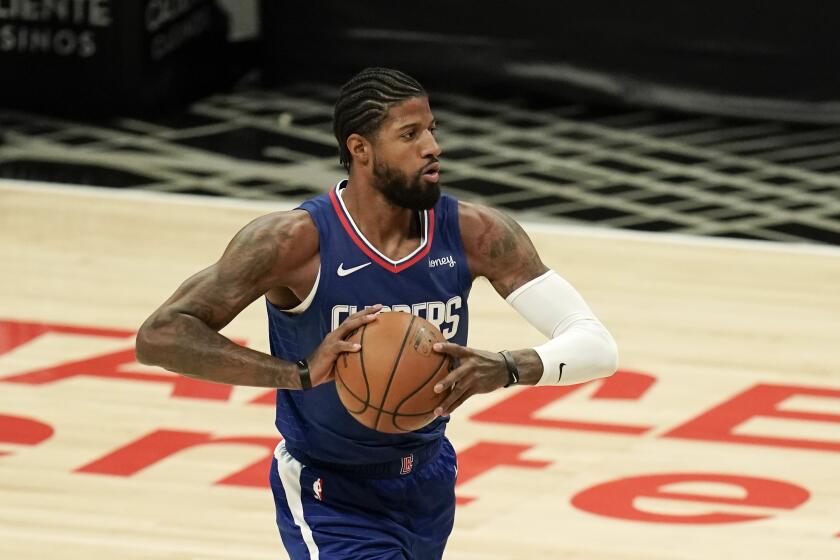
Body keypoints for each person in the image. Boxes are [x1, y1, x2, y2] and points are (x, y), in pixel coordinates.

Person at [135, 67, 618, 560]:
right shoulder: (292, 241)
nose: (433, 147)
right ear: (360, 148)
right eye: (410, 134)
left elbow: (596, 346)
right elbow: (160, 335)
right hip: (331, 494)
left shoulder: (476, 233)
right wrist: (297, 374)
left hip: (429, 479)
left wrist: (509, 366)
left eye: (432, 130)